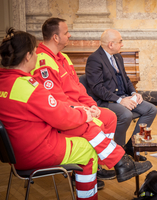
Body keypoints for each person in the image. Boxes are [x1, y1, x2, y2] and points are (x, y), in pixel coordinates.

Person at [0, 28, 152, 200]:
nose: (37, 56)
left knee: (86, 126)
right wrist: (85, 115)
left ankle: (119, 161)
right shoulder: (27, 87)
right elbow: (60, 118)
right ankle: (100, 182)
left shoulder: (5, 82)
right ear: (27, 56)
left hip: (17, 148)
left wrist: (81, 110)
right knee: (87, 147)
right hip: (36, 149)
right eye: (34, 52)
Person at [30, 17, 117, 183]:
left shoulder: (63, 57)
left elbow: (79, 88)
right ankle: (81, 170)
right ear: (56, 37)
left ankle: (97, 165)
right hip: (66, 115)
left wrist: (92, 105)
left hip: (80, 108)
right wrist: (85, 111)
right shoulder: (43, 62)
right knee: (97, 124)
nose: (69, 35)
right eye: (66, 32)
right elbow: (57, 101)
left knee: (110, 117)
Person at [85, 29, 157, 161]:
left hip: (123, 97)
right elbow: (97, 88)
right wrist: (119, 100)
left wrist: (134, 93)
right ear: (111, 44)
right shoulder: (94, 59)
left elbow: (126, 79)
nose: (122, 44)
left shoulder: (117, 56)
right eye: (120, 42)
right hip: (105, 101)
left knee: (151, 109)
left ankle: (131, 146)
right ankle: (119, 154)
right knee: (125, 114)